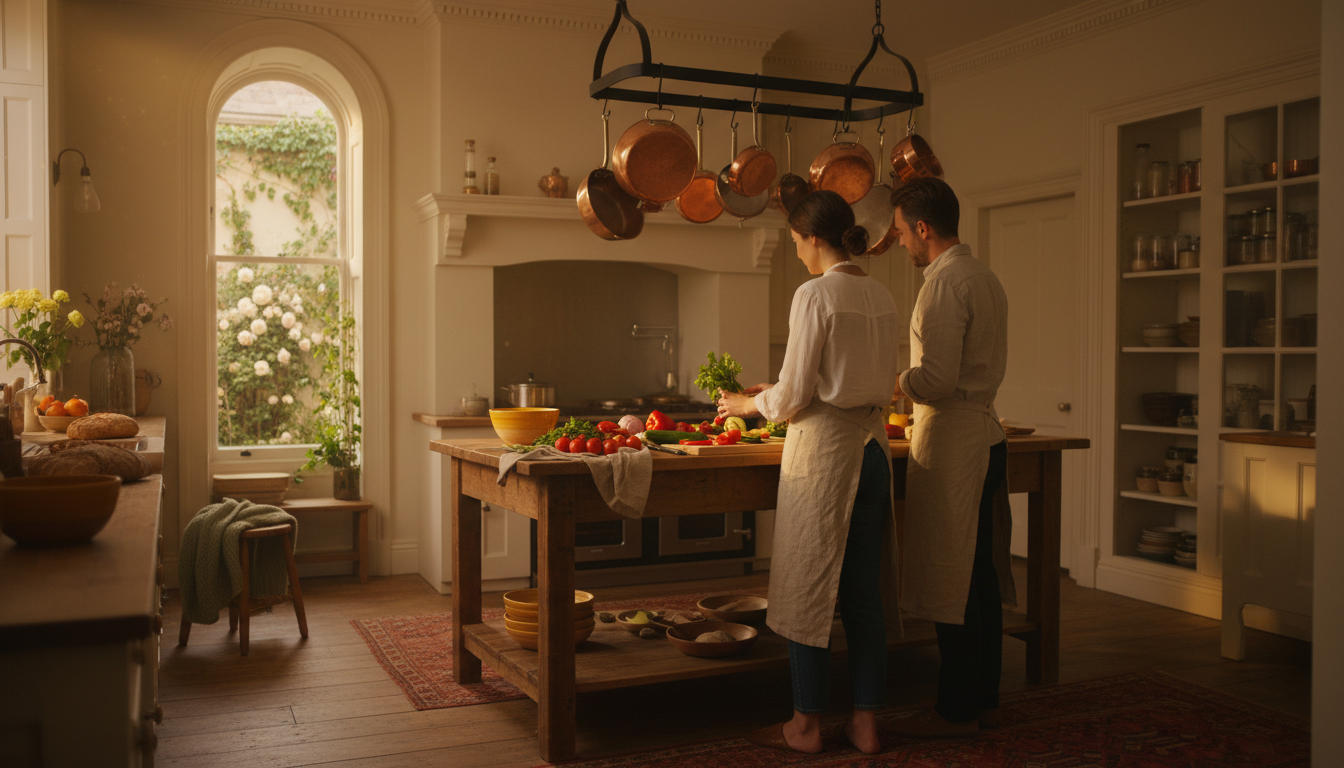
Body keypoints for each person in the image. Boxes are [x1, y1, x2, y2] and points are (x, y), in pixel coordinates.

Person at [717, 189, 901, 755]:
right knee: (865, 596)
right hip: (871, 449)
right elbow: (845, 378)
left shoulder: (814, 293)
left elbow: (797, 394)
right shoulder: (882, 295)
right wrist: (777, 391)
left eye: (797, 241)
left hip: (824, 456)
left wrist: (746, 405)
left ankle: (805, 725)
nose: (796, 252)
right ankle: (866, 723)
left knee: (806, 589)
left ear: (814, 238)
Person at [886, 177, 1013, 738]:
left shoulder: (942, 285)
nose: (899, 244)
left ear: (922, 228)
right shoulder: (985, 276)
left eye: (899, 233)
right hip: (989, 431)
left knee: (950, 577)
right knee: (980, 574)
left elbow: (934, 380)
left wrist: (895, 381)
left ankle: (955, 710)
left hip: (954, 437)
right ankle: (986, 701)